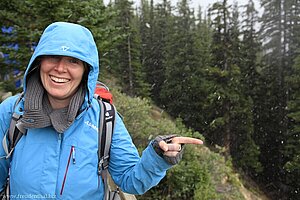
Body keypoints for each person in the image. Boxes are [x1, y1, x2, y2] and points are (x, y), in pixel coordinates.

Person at [0, 22, 203, 199]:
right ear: (39, 61)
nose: (60, 68)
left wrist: (158, 156)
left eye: (73, 61)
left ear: (86, 71)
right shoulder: (12, 112)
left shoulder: (105, 118)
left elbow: (131, 180)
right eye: (52, 56)